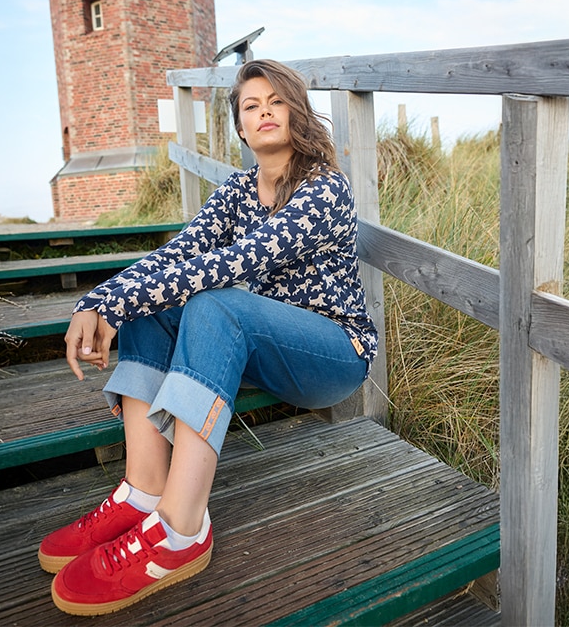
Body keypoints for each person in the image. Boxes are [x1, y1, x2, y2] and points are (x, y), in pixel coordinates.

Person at [40, 58, 379, 617]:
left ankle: (179, 529)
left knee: (215, 302)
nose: (265, 111)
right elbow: (178, 254)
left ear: (296, 113)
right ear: (241, 129)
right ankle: (144, 489)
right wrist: (99, 301)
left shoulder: (326, 192)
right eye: (251, 105)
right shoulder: (238, 191)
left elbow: (236, 263)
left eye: (276, 100)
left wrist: (112, 301)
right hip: (263, 346)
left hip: (332, 353)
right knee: (152, 310)